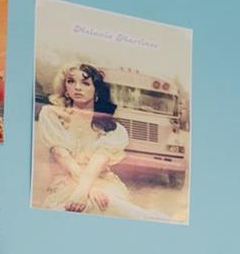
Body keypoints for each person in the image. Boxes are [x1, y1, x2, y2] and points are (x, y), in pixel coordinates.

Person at [33, 62, 153, 218]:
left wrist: (86, 189)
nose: (77, 87)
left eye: (85, 83)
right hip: (67, 180)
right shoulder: (51, 114)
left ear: (96, 91)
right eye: (71, 82)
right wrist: (88, 190)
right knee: (72, 208)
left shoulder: (112, 127)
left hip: (101, 181)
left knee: (105, 204)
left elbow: (97, 163)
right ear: (65, 89)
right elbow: (61, 155)